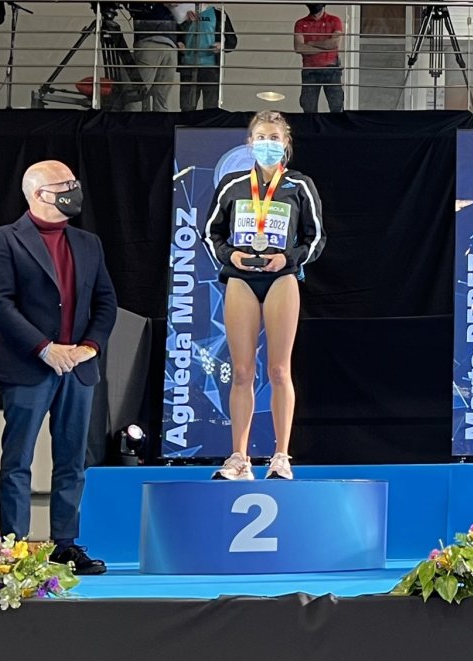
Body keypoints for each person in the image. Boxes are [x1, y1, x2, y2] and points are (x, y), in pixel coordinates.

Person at [0, 160, 118, 574]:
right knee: (18, 461)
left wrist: (89, 347)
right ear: (39, 194)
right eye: (65, 185)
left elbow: (106, 302)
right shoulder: (4, 239)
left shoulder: (88, 242)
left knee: (72, 461)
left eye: (74, 181)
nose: (74, 189)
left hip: (78, 369)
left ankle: (65, 545)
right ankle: (13, 550)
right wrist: (44, 348)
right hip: (27, 367)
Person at [203, 110, 326, 480]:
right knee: (242, 371)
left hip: (281, 278)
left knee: (278, 369)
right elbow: (211, 233)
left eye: (274, 138)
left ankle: (281, 456)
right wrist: (230, 256)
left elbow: (316, 237)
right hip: (241, 279)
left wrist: (288, 258)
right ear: (249, 143)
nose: (267, 144)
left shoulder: (299, 185)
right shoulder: (233, 185)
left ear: (285, 144)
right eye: (261, 137)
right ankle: (238, 458)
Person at [176, 3, 237, 111]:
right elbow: (174, 34)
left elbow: (232, 42)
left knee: (211, 108)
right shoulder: (183, 12)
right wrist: (179, 44)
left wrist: (221, 45)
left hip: (211, 67)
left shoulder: (218, 14)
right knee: (187, 107)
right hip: (188, 65)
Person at [129, 3, 180, 111]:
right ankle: (133, 121)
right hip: (149, 39)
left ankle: (160, 123)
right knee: (137, 94)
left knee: (162, 98)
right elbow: (134, 5)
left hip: (170, 42)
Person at [293, 3, 344, 113]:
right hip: (310, 69)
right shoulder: (300, 23)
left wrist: (311, 43)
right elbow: (299, 47)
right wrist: (326, 47)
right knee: (308, 106)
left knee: (336, 104)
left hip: (331, 68)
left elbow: (335, 43)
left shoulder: (334, 20)